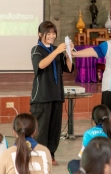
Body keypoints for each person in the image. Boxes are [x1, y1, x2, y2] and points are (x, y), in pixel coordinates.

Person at [30, 21, 74, 165]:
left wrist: (68, 54)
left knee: (54, 129)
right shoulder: (36, 49)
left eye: (53, 33)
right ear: (40, 34)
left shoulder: (57, 49)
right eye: (48, 33)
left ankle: (51, 154)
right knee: (41, 129)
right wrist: (56, 52)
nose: (51, 36)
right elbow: (41, 65)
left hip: (56, 94)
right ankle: (38, 155)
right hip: (42, 96)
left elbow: (68, 68)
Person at [68, 104, 111, 173]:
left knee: (72, 164)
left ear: (93, 120)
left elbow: (84, 159)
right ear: (110, 117)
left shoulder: (88, 134)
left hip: (100, 170)